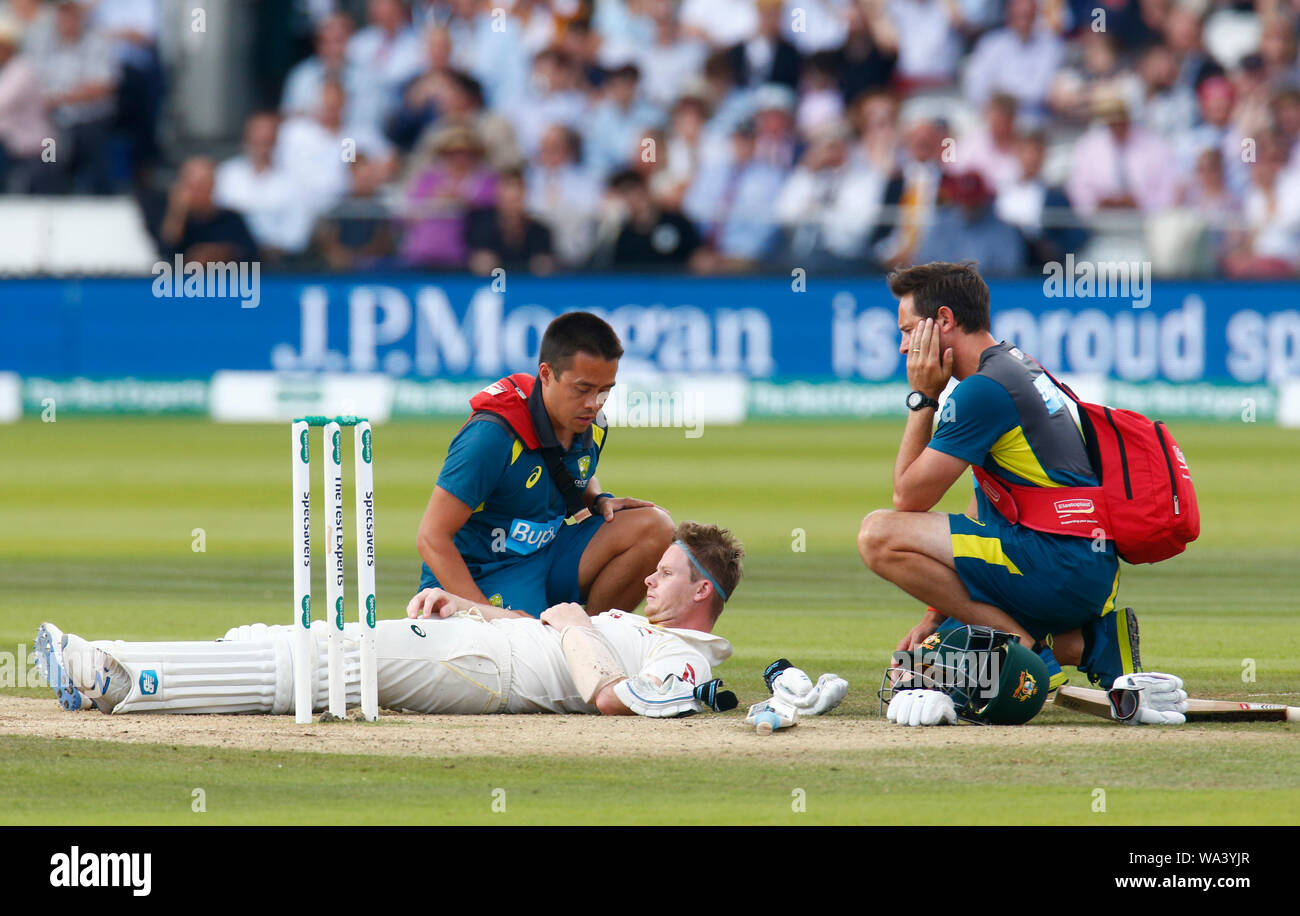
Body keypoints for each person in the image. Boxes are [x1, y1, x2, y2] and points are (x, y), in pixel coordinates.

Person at [36, 523, 748, 719]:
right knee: (299, 641)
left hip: (485, 673)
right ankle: (108, 671)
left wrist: (576, 629)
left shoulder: (689, 661)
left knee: (327, 660)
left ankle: (122, 674)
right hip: (484, 645)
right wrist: (465, 603)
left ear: (702, 592)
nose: (651, 575)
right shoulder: (649, 627)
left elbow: (608, 698)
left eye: (669, 573)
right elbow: (551, 633)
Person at [856, 261, 1141, 690]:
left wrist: (923, 397)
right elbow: (985, 496)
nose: (902, 347)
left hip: (1054, 562)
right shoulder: (1017, 364)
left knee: (877, 535)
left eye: (908, 330)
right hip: (1080, 566)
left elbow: (907, 498)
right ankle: (1094, 644)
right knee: (922, 665)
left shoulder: (983, 390)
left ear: (944, 321)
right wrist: (936, 614)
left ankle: (1030, 653)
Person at [418, 311, 674, 619]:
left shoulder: (594, 425)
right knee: (527, 639)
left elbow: (576, 469)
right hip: (483, 572)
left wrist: (596, 497)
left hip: (546, 556)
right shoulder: (491, 436)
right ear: (546, 374)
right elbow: (431, 537)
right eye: (582, 389)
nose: (594, 403)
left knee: (655, 526)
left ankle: (591, 642)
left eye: (605, 390)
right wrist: (482, 615)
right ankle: (550, 641)